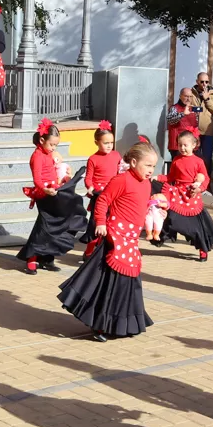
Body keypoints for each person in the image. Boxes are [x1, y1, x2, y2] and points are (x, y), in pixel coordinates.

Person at [60, 141, 158, 340]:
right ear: (132, 162)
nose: (151, 170)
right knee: (111, 284)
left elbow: (138, 205)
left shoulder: (146, 184)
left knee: (129, 283)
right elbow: (103, 200)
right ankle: (102, 325)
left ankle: (124, 322)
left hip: (130, 240)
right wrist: (101, 223)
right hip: (114, 238)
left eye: (153, 166)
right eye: (147, 165)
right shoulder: (121, 180)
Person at [16, 120, 86, 273]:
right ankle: (32, 258)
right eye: (52, 145)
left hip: (54, 192)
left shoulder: (49, 154)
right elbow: (37, 179)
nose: (54, 148)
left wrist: (64, 175)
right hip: (44, 195)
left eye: (56, 145)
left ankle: (47, 258)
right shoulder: (37, 156)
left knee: (56, 226)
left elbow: (55, 170)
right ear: (42, 141)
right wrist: (45, 189)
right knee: (44, 227)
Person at [161, 131, 213, 259]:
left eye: (185, 145)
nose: (182, 148)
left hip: (192, 196)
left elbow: (205, 179)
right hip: (178, 194)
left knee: (197, 226)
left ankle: (202, 248)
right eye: (179, 145)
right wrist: (157, 177)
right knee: (171, 215)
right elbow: (170, 177)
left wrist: (199, 189)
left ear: (194, 145)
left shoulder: (198, 162)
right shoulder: (176, 160)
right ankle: (162, 235)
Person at [82, 121, 122, 244]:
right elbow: (88, 178)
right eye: (106, 143)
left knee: (112, 222)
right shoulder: (93, 159)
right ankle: (89, 251)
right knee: (96, 223)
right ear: (96, 143)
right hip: (99, 194)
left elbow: (120, 171)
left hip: (114, 193)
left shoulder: (116, 155)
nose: (109, 146)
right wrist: (90, 187)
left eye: (111, 143)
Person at [192, 72, 213, 164]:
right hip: (193, 130)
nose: (204, 84)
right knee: (194, 157)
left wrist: (207, 99)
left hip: (207, 131)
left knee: (207, 158)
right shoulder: (192, 93)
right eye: (202, 82)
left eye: (207, 82)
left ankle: (207, 177)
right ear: (197, 81)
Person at [167, 87, 203, 163]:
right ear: (180, 96)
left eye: (190, 96)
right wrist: (182, 114)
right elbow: (170, 120)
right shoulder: (174, 108)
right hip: (178, 146)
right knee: (179, 167)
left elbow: (195, 127)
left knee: (198, 163)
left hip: (191, 145)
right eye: (186, 96)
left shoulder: (192, 109)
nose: (188, 99)